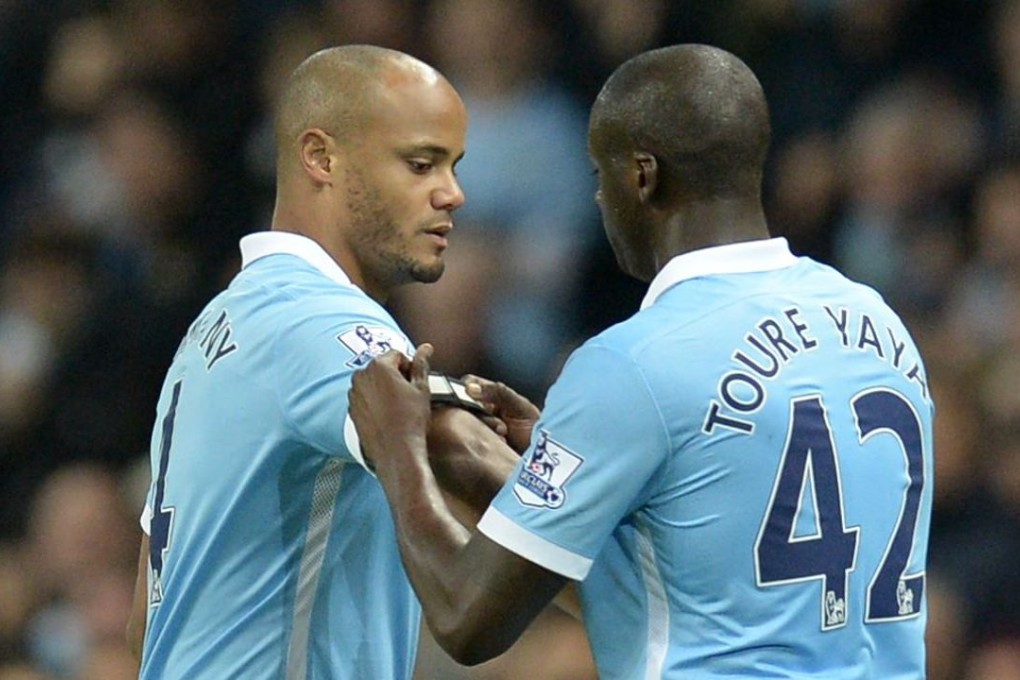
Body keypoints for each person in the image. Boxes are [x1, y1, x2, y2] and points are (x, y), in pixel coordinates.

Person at [350, 43, 935, 678]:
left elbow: (467, 618)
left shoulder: (632, 363)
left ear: (642, 176)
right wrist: (579, 461)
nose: (600, 201)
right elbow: (704, 576)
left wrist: (398, 450)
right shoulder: (880, 325)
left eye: (601, 176)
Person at [125, 44, 518, 679]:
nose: (453, 194)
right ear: (321, 157)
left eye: (454, 165)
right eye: (421, 164)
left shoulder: (215, 330)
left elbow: (145, 623)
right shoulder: (323, 321)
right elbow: (458, 453)